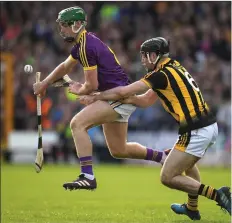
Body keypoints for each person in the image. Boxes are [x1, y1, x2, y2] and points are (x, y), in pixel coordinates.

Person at [76, 37, 231, 219]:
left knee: (167, 177)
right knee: (187, 165)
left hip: (196, 129)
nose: (142, 60)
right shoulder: (173, 66)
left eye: (144, 56)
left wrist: (96, 97)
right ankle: (192, 208)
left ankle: (219, 195)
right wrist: (129, 99)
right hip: (207, 126)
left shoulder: (159, 75)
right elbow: (146, 100)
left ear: (154, 55)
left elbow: (123, 91)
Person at [33, 7, 169, 191]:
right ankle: (162, 157)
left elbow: (91, 84)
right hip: (118, 95)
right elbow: (64, 67)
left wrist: (80, 90)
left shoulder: (86, 46)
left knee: (77, 124)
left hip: (116, 96)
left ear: (77, 25)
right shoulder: (83, 44)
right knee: (119, 150)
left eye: (64, 25)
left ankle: (87, 176)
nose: (61, 29)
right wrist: (44, 84)